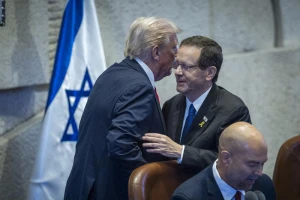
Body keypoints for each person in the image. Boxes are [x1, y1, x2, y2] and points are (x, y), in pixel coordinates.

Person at [64, 17, 181, 200]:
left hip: (85, 188)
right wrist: (149, 180)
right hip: (108, 191)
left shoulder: (113, 73)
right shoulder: (139, 87)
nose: (177, 55)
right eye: (174, 47)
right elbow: (120, 144)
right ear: (156, 52)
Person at [142, 36, 251, 171]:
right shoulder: (171, 105)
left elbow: (233, 162)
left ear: (209, 73)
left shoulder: (232, 110)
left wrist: (182, 152)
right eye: (177, 64)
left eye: (186, 67)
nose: (178, 72)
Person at [171, 122, 268, 200]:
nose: (259, 173)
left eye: (262, 164)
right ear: (226, 158)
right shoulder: (188, 197)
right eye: (252, 164)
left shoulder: (265, 185)